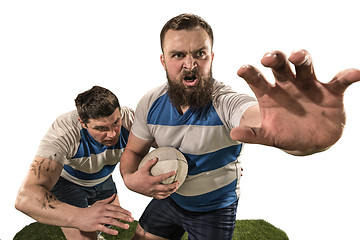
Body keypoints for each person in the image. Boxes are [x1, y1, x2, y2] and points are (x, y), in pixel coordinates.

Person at [120, 13, 360, 240]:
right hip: (170, 199)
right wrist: (131, 180)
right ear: (163, 60)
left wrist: (297, 132)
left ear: (211, 57)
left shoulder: (225, 101)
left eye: (200, 53)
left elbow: (250, 115)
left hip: (214, 210)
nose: (190, 64)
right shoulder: (150, 103)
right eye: (178, 55)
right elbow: (133, 151)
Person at [15, 86, 135, 240]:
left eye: (115, 123)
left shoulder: (129, 119)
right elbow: (25, 198)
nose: (112, 133)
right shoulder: (64, 132)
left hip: (103, 178)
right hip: (68, 182)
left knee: (114, 219)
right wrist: (79, 216)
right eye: (101, 128)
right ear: (83, 123)